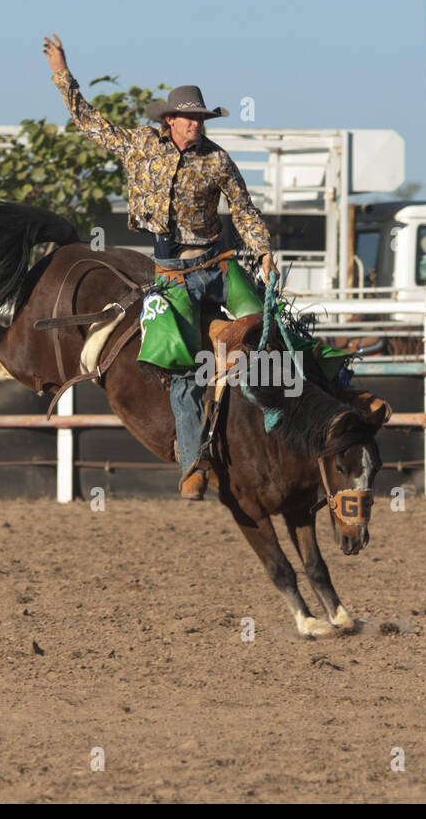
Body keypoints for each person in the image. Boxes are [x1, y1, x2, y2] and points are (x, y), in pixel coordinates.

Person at [43, 33, 277, 501]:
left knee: (266, 326)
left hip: (217, 264)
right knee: (183, 372)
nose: (195, 125)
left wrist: (264, 249)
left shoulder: (217, 160)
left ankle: (244, 356)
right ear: (169, 121)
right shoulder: (139, 146)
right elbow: (90, 124)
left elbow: (244, 209)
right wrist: (61, 74)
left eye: (199, 119)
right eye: (188, 119)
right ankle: (194, 463)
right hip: (171, 274)